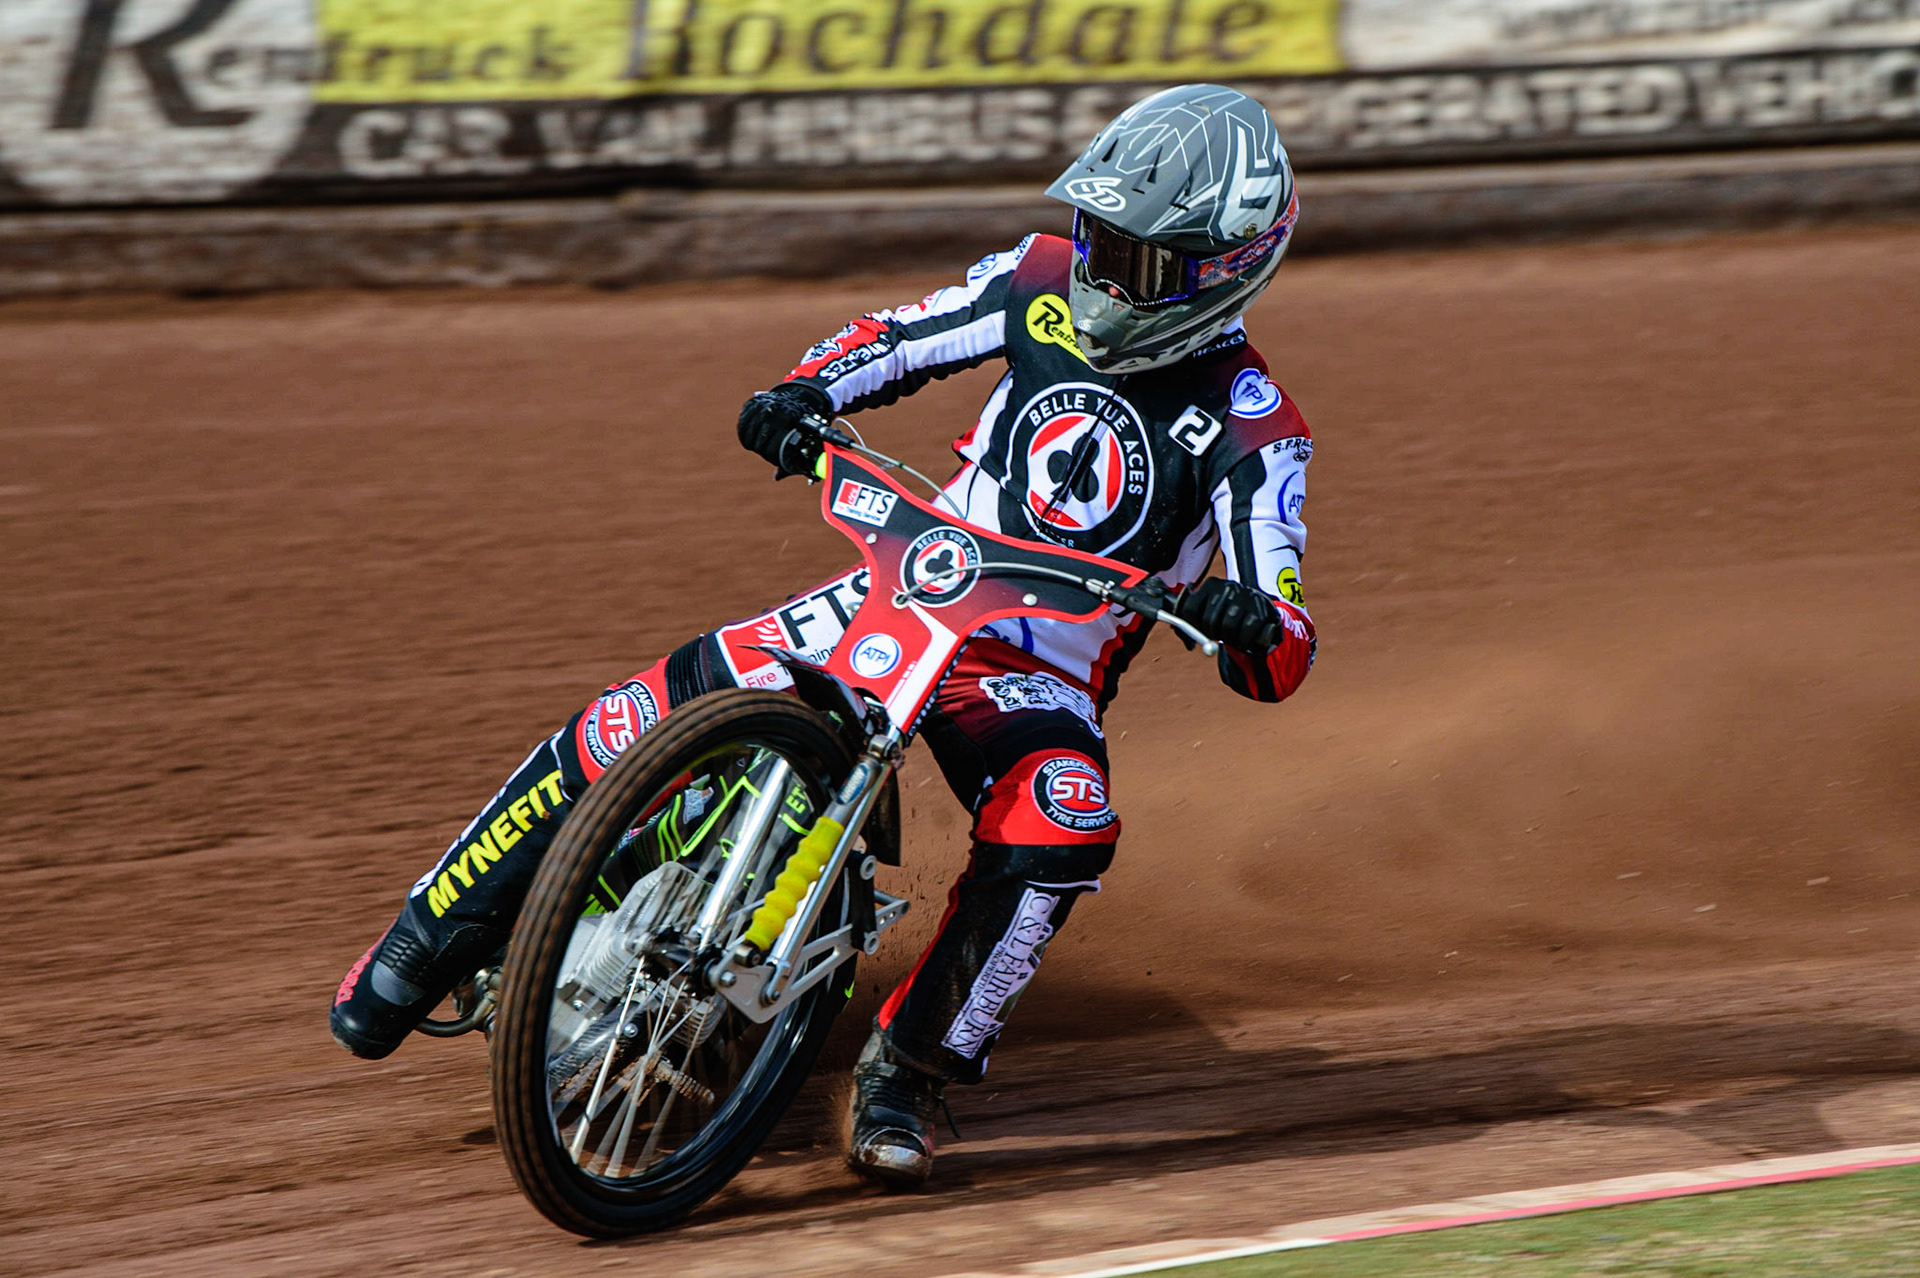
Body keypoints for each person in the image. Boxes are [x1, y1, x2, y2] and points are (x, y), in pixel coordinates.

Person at [330, 83, 1318, 1189]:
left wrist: (1248, 623)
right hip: (915, 583)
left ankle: (911, 1065)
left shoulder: (1254, 426)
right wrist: (801, 390)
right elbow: (899, 339)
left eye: (1131, 257)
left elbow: (1284, 630)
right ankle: (431, 931)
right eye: (1096, 234)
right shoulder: (1041, 279)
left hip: (1039, 673)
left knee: (1061, 826)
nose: (1098, 269)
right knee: (650, 707)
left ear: (1221, 267)